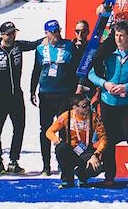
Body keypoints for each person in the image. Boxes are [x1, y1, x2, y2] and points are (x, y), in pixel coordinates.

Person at [88, 26, 128, 187]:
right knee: (108, 140)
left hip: (126, 104)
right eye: (116, 35)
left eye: (121, 35)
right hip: (107, 102)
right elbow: (91, 74)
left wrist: (126, 87)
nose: (118, 38)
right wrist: (105, 84)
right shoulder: (108, 55)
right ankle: (110, 175)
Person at [0, 21, 42, 174]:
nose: (12, 36)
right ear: (2, 35)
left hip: (16, 95)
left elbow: (33, 44)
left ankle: (13, 160)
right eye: (9, 34)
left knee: (19, 127)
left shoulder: (18, 46)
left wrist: (49, 36)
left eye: (14, 33)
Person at [31, 19, 78, 176]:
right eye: (52, 32)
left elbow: (75, 68)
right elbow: (36, 71)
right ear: (46, 33)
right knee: (45, 129)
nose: (56, 34)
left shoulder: (69, 46)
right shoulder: (40, 49)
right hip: (45, 94)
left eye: (57, 31)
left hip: (64, 94)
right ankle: (46, 165)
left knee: (64, 130)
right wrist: (32, 91)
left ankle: (64, 163)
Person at [46, 92, 107, 188]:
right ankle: (67, 179)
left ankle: (82, 175)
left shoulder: (94, 117)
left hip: (86, 150)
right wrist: (56, 140)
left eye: (88, 105)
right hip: (71, 150)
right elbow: (49, 132)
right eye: (84, 106)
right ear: (75, 107)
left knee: (97, 167)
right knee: (60, 148)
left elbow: (103, 139)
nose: (87, 108)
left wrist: (96, 155)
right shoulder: (67, 116)